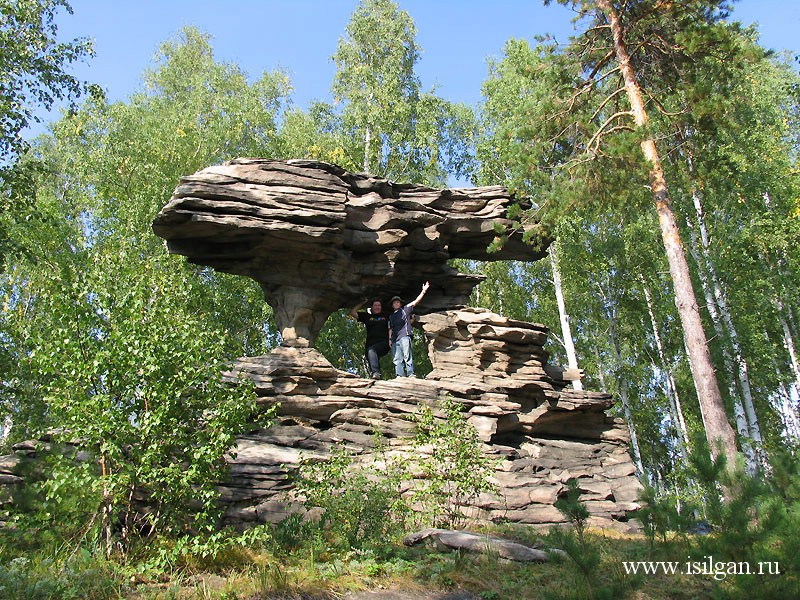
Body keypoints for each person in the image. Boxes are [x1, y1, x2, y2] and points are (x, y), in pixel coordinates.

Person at [388, 281, 430, 377]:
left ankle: (411, 373)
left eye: (397, 302)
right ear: (392, 305)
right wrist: (390, 339)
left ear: (400, 303)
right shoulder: (391, 316)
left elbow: (415, 302)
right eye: (394, 302)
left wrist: (423, 291)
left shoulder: (405, 310)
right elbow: (390, 328)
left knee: (407, 355)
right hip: (395, 339)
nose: (396, 303)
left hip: (405, 336)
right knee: (397, 358)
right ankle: (399, 375)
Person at [349, 298, 390, 380]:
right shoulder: (367, 316)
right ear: (371, 307)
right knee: (373, 357)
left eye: (379, 305)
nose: (377, 307)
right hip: (370, 344)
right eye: (375, 305)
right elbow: (352, 313)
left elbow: (395, 322)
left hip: (384, 343)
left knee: (372, 350)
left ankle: (376, 373)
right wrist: (362, 303)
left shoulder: (386, 316)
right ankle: (377, 378)